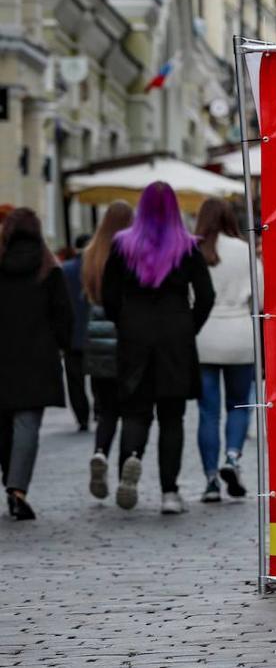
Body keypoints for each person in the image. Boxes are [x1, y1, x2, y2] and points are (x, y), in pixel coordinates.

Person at [102, 182, 215, 514]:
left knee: (135, 411)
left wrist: (123, 323)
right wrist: (187, 326)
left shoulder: (123, 245)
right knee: (172, 416)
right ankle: (169, 492)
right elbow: (206, 296)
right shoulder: (188, 247)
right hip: (175, 334)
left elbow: (109, 296)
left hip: (135, 332)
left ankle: (130, 461)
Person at [0, 209, 73, 520]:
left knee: (3, 424)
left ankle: (9, 479)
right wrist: (61, 347)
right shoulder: (49, 271)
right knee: (27, 424)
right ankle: (18, 490)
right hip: (37, 358)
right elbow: (64, 318)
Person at [194, 199, 261, 502]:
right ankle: (232, 457)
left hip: (203, 336)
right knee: (238, 404)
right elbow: (260, 300)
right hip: (239, 336)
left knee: (207, 412)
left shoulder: (193, 250)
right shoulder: (245, 250)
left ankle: (210, 480)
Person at [81, 201, 134, 500]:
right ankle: (126, 467)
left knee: (106, 410)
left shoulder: (91, 253)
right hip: (127, 332)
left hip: (97, 335)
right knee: (131, 411)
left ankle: (100, 452)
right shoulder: (130, 253)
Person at [61, 234, 93, 431]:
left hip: (71, 333)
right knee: (100, 373)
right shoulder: (98, 266)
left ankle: (82, 416)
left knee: (75, 379)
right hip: (96, 332)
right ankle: (99, 409)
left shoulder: (65, 270)